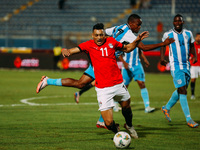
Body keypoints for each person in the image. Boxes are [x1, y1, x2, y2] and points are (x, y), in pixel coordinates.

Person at [36, 14, 174, 128]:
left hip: (102, 61)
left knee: (81, 84)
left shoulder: (119, 28)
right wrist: (163, 44)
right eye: (138, 24)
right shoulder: (131, 35)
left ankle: (48, 81)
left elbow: (104, 33)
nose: (139, 27)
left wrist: (102, 48)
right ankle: (107, 121)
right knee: (111, 88)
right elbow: (143, 47)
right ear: (131, 24)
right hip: (104, 63)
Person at [62, 23, 149, 138]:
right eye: (96, 35)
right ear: (93, 35)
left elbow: (127, 48)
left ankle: (129, 125)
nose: (99, 37)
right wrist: (66, 50)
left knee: (127, 108)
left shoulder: (112, 42)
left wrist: (137, 39)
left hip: (118, 84)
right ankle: (119, 135)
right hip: (103, 89)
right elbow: (73, 50)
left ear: (104, 35)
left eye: (101, 35)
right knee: (108, 123)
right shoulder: (88, 45)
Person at [160, 14, 199, 128]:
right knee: (182, 90)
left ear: (182, 22)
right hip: (175, 66)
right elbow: (163, 45)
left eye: (179, 21)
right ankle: (188, 118)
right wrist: (162, 58)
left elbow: (192, 45)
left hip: (186, 65)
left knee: (182, 89)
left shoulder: (188, 34)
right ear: (173, 22)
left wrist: (194, 55)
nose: (177, 23)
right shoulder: (168, 34)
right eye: (175, 21)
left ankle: (166, 108)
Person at [190, 32, 200, 100]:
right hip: (194, 65)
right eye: (198, 37)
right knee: (193, 79)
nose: (199, 38)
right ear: (195, 37)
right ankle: (192, 94)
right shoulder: (192, 45)